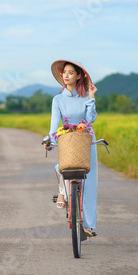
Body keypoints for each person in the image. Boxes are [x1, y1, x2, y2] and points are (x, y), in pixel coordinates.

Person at [44, 59, 98, 237]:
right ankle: (62, 193)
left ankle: (88, 225)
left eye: (71, 73)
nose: (66, 76)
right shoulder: (58, 99)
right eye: (64, 72)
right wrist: (49, 141)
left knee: (89, 182)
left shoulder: (85, 97)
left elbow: (90, 120)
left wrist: (91, 97)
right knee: (60, 167)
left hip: (85, 138)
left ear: (79, 76)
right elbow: (54, 127)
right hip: (67, 138)